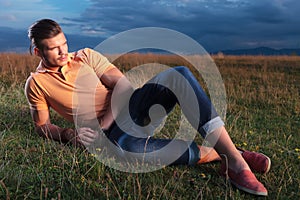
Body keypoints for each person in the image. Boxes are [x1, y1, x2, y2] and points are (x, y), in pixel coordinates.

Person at [25, 19, 270, 196]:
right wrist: (68, 134)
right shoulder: (36, 83)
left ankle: (237, 164)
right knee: (129, 152)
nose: (63, 51)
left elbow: (123, 85)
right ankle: (224, 153)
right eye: (54, 48)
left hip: (130, 108)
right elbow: (42, 126)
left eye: (64, 43)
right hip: (113, 136)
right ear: (38, 51)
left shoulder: (85, 55)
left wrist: (102, 125)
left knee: (180, 74)